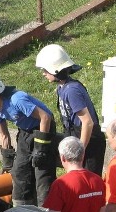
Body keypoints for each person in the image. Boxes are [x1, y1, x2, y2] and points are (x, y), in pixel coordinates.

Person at [0, 68, 56, 207]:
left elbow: (45, 117)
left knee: (42, 173)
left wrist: (41, 148)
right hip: (25, 131)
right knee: (20, 172)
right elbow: (3, 134)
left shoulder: (17, 100)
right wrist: (7, 160)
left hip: (44, 128)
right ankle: (22, 210)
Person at [35, 44, 106, 175]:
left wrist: (81, 151)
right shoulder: (62, 88)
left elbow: (87, 122)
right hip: (75, 137)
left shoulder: (72, 90)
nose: (43, 73)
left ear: (55, 69)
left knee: (87, 183)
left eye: (45, 69)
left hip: (89, 143)